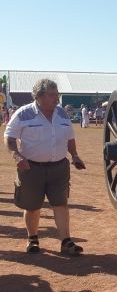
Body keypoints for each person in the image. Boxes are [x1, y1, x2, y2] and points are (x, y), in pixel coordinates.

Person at [3, 79, 86, 255]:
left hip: (59, 168)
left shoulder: (62, 114)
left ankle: (66, 241)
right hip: (31, 169)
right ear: (39, 96)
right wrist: (17, 156)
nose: (56, 98)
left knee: (61, 204)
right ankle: (32, 238)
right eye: (52, 95)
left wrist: (75, 155)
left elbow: (70, 138)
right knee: (32, 206)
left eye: (57, 94)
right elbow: (9, 137)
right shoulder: (23, 114)